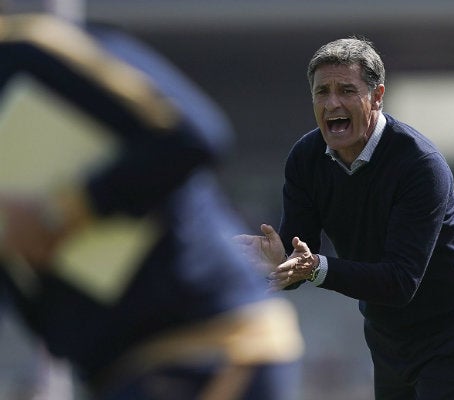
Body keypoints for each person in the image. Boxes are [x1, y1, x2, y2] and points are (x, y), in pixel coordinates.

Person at [0, 13, 302, 400]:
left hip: (204, 346)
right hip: (123, 371)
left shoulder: (29, 54)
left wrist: (61, 213)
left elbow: (194, 133)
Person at [236, 37, 454, 400]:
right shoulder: (305, 159)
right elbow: (299, 263)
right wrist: (276, 262)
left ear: (377, 97)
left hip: (453, 334)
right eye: (322, 91)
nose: (332, 103)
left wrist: (314, 269)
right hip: (386, 336)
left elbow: (400, 282)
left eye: (346, 90)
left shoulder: (419, 165)